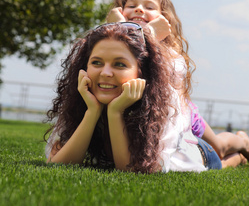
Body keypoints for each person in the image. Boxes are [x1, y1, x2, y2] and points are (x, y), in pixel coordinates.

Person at [44, 23, 244, 173]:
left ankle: (242, 143)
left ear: (141, 72)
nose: (105, 72)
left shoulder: (162, 104)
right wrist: (93, 111)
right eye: (96, 62)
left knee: (221, 154)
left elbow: (130, 170)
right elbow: (59, 164)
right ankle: (239, 156)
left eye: (120, 64)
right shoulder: (79, 101)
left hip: (196, 154)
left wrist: (115, 112)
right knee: (226, 154)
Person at [106, 0, 249, 163]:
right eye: (132, 5)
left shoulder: (167, 48)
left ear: (163, 16)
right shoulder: (111, 44)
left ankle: (242, 142)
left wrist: (146, 33)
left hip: (183, 115)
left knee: (219, 148)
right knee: (215, 157)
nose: (139, 9)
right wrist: (117, 29)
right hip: (152, 117)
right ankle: (238, 159)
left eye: (149, 6)